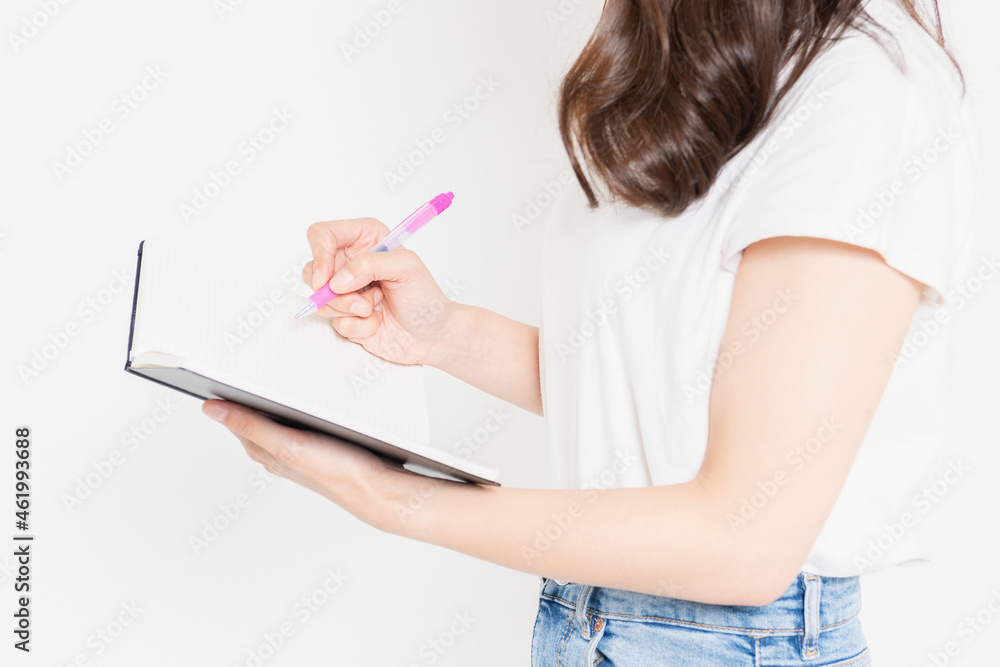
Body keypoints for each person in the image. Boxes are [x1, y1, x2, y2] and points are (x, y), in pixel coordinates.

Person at [201, 0, 974, 663]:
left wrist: (390, 495)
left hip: (730, 640)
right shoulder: (706, 73)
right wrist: (441, 332)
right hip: (593, 619)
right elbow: (655, 392)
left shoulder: (865, 95)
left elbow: (742, 540)